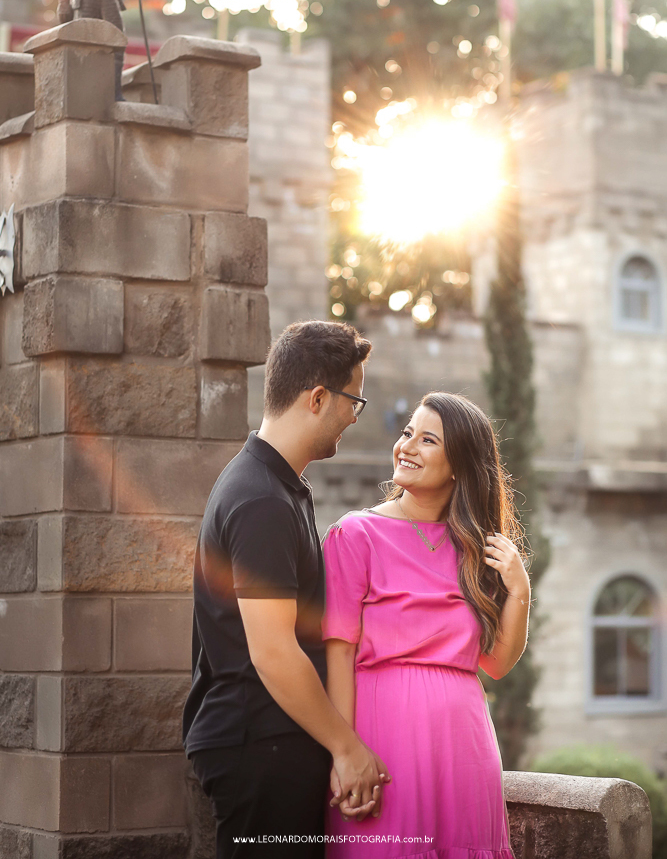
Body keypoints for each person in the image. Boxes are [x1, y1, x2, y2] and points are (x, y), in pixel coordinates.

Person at [183, 320, 390, 859]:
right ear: (319, 398)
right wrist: (347, 748)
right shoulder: (262, 500)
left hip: (266, 743)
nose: (353, 415)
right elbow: (273, 651)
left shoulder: (274, 485)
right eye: (354, 401)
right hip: (260, 747)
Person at [323, 392, 531, 858]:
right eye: (406, 433)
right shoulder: (355, 535)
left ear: (459, 464)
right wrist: (344, 752)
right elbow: (337, 652)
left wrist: (520, 591)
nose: (407, 446)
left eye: (427, 439)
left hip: (466, 750)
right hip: (384, 744)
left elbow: (496, 663)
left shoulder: (477, 549)